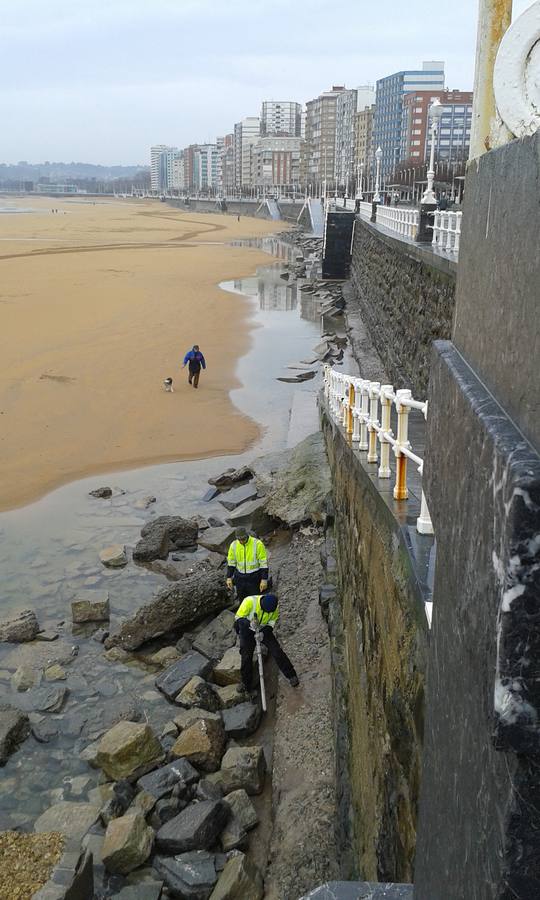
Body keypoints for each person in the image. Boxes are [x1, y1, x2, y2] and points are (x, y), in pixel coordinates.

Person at [234, 593, 299, 691]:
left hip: (263, 630)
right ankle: (246, 683)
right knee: (246, 655)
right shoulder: (249, 601)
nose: (269, 613)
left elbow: (271, 624)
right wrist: (249, 624)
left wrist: (263, 633)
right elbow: (238, 618)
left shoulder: (274, 609)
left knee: (277, 651)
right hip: (247, 630)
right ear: (262, 604)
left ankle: (291, 675)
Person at [226, 528, 268, 601]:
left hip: (254, 577)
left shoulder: (257, 544)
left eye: (243, 539)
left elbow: (263, 563)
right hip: (239, 578)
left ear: (247, 536)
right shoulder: (234, 545)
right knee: (242, 600)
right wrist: (229, 577)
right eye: (239, 540)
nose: (241, 541)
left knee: (255, 600)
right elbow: (231, 562)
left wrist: (264, 579)